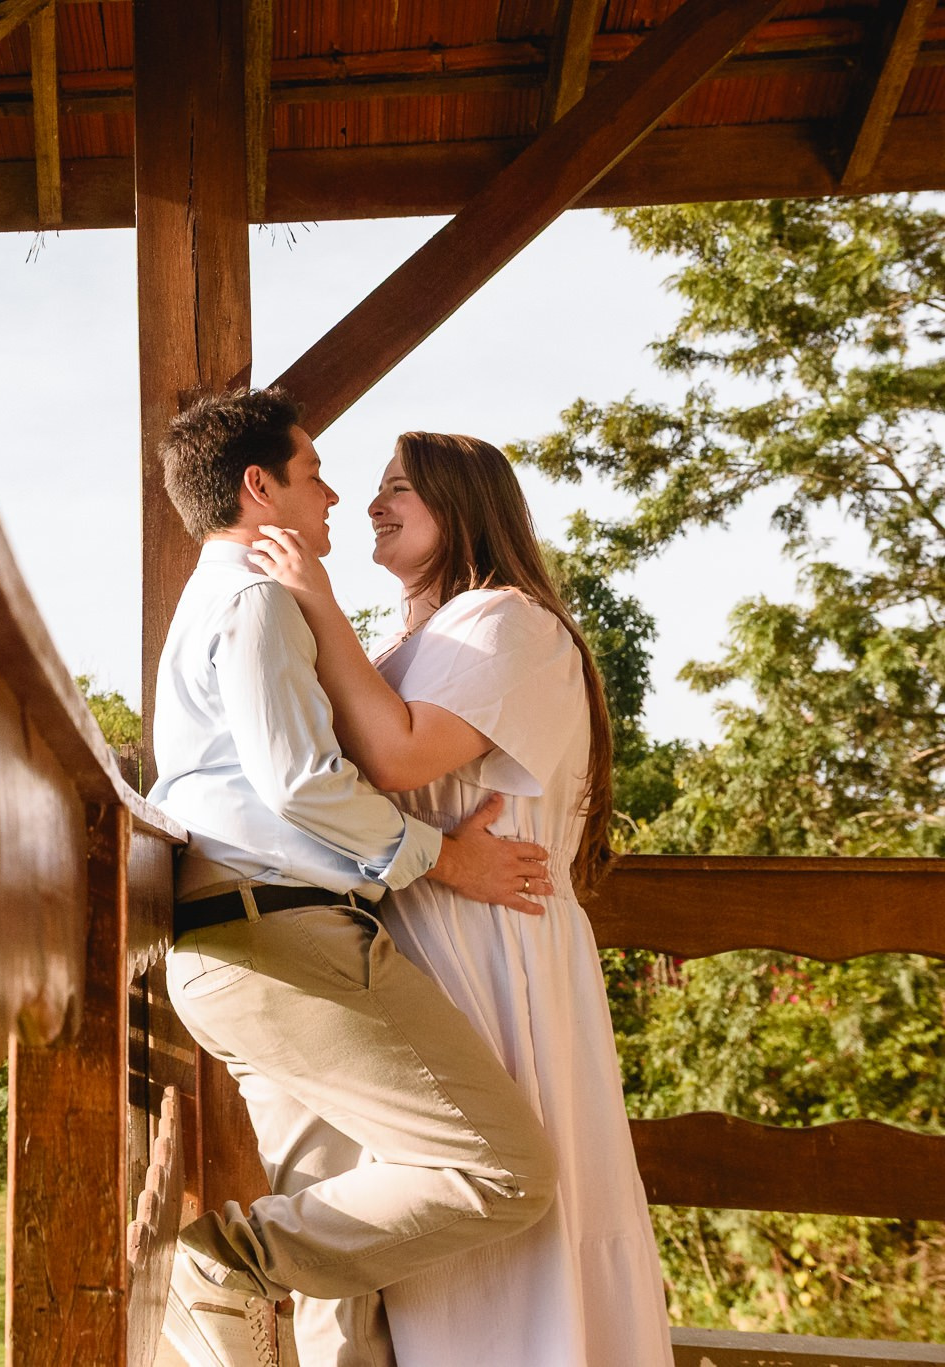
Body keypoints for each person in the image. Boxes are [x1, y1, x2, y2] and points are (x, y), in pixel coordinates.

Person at [149, 389, 562, 1367]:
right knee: (504, 1169)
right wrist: (441, 856)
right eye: (313, 471)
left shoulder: (221, 596)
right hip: (280, 942)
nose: (332, 495)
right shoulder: (252, 596)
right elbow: (298, 780)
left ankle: (244, 1264)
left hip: (239, 951)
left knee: (347, 1265)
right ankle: (220, 1258)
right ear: (259, 486)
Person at [246, 430, 673, 1366]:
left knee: (514, 1232)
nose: (371, 502)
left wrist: (313, 598)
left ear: (465, 504)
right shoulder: (420, 639)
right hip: (426, 946)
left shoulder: (505, 622)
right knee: (445, 1225)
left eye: (401, 487)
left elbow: (398, 756)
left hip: (495, 948)